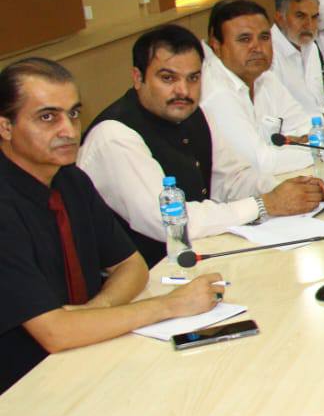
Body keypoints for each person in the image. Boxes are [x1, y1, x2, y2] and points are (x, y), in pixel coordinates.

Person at [0, 57, 224, 395]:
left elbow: (131, 266)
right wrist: (170, 305)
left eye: (73, 114)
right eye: (47, 117)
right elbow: (55, 332)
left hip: (87, 354)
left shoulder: (71, 179)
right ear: (5, 127)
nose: (68, 130)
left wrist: (95, 312)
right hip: (22, 387)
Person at [79, 26, 324, 267]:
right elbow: (171, 223)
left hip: (198, 257)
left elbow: (231, 179)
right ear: (138, 78)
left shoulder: (193, 114)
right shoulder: (115, 136)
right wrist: (264, 203)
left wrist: (290, 191)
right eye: (168, 78)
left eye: (193, 78)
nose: (183, 90)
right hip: (148, 278)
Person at [202, 0, 324, 178]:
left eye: (264, 37)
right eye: (244, 39)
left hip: (281, 179)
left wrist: (304, 143)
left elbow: (304, 126)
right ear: (216, 45)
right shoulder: (216, 92)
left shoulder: (264, 77)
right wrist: (323, 147)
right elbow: (260, 163)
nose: (257, 48)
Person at [269, 0, 324, 119]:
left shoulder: (310, 45)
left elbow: (318, 100)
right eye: (300, 16)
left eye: (314, 17)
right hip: (298, 130)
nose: (309, 25)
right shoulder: (268, 55)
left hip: (321, 122)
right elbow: (278, 116)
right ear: (280, 19)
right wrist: (322, 118)